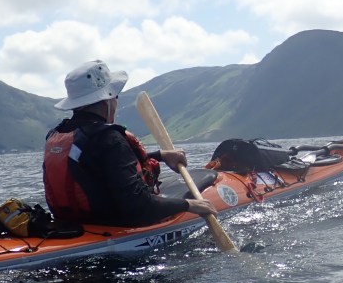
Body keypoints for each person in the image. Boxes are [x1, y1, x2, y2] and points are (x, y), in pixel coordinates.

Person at [43, 60, 217, 227]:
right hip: (114, 224)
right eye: (115, 96)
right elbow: (140, 208)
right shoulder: (109, 139)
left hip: (73, 223)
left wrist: (160, 155)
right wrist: (188, 205)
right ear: (107, 100)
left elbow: (96, 165)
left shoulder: (59, 133)